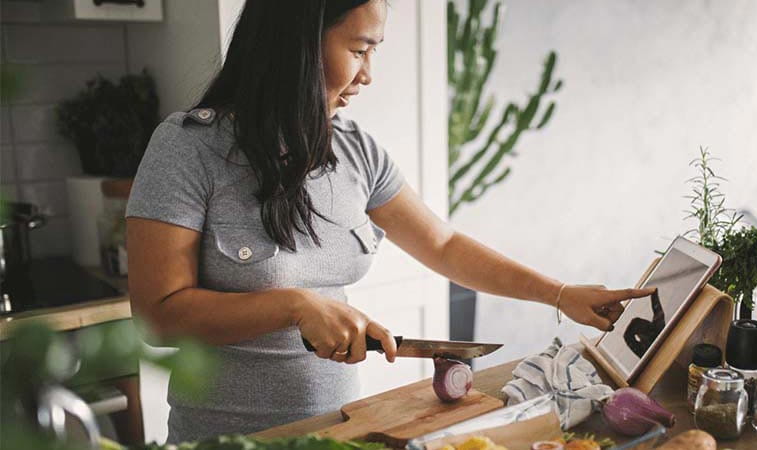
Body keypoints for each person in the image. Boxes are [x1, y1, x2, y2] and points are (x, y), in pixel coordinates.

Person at [125, 0, 654, 443]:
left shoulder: (356, 151)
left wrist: (561, 294)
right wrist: (293, 305)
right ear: (297, 45)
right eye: (359, 49)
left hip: (336, 433)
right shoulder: (187, 148)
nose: (368, 74)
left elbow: (443, 245)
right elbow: (158, 316)